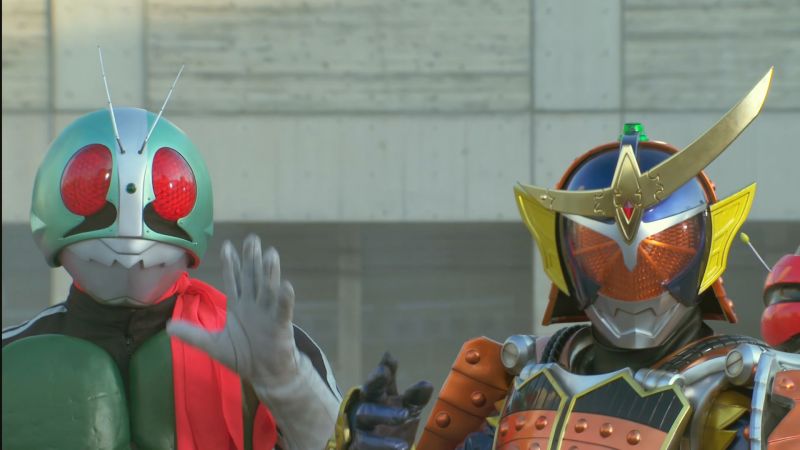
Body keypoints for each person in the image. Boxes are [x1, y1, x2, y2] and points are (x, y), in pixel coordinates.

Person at [328, 68, 800, 449]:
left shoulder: (750, 390)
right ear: (567, 258)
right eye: (601, 254)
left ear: (702, 254)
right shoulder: (516, 377)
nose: (632, 275)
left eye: (661, 254)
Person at [2, 58, 340, 449]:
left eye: (168, 193)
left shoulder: (269, 342)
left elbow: (341, 443)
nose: (128, 246)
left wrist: (287, 381)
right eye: (90, 189)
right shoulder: (13, 357)